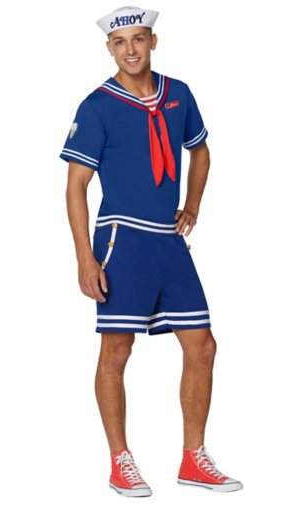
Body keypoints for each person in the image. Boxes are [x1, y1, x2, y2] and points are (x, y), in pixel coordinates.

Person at [59, 5, 243, 497]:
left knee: (203, 346)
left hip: (168, 239)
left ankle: (193, 458)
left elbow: (200, 150)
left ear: (152, 42)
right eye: (120, 43)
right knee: (117, 349)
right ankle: (120, 461)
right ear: (109, 49)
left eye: (138, 39)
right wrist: (84, 258)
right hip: (122, 240)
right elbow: (75, 186)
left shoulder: (178, 93)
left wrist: (193, 205)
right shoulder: (97, 106)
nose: (130, 50)